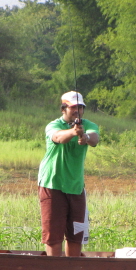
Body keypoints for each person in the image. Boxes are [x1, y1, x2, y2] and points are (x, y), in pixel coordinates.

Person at [38, 91, 99, 257]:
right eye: (73, 107)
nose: (77, 111)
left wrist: (84, 136)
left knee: (76, 233)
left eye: (80, 107)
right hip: (53, 184)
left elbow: (95, 138)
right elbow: (58, 137)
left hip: (76, 186)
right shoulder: (53, 125)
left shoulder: (88, 124)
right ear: (63, 109)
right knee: (53, 234)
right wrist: (74, 132)